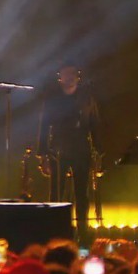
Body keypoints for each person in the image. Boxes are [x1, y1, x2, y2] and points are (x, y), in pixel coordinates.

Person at [37, 63, 101, 240]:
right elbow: (44, 126)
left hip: (81, 148)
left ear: (77, 76)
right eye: (66, 74)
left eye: (72, 74)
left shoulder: (86, 97)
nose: (69, 77)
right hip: (58, 149)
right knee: (56, 192)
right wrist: (43, 154)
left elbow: (94, 124)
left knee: (82, 193)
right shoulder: (53, 99)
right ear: (60, 77)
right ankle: (56, 231)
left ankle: (83, 231)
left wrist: (98, 151)